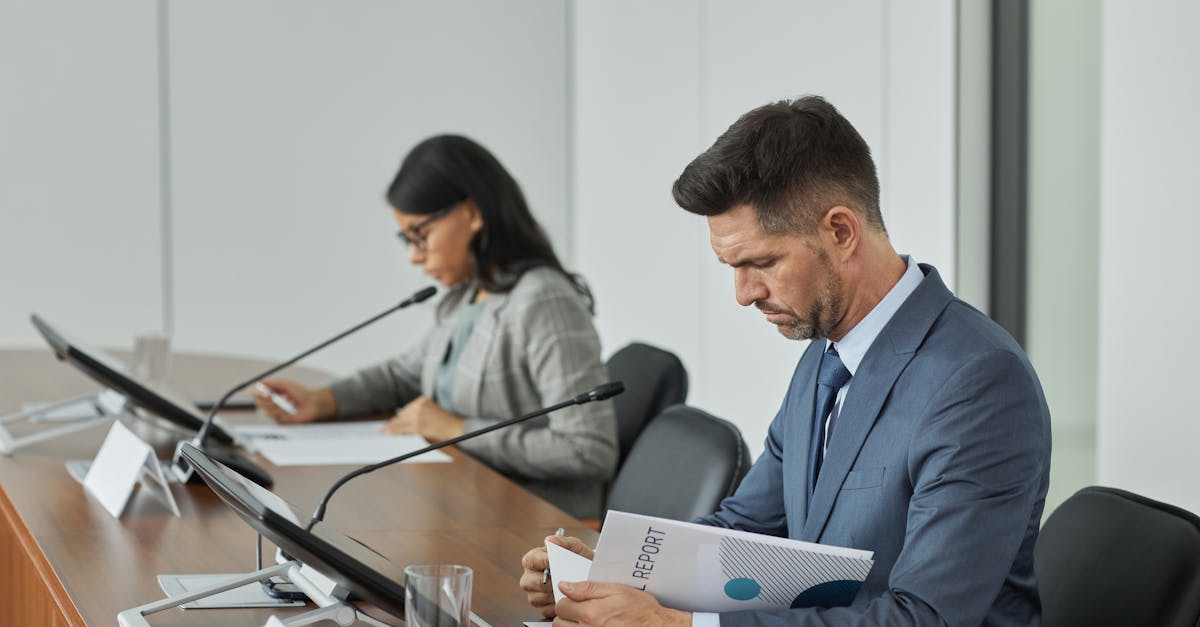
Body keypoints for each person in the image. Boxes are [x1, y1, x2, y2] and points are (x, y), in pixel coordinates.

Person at [520, 96, 1051, 625]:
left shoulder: (978, 382)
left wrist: (676, 626)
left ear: (840, 232)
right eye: (731, 267)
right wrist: (613, 581)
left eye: (762, 262)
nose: (744, 294)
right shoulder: (826, 353)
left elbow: (924, 619)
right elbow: (751, 527)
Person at [255, 134, 618, 519]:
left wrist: (455, 428)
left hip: (529, 524)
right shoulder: (468, 295)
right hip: (462, 505)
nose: (414, 256)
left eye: (421, 235)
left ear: (473, 213)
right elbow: (403, 375)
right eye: (407, 239)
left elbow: (587, 450)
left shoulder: (544, 300)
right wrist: (322, 401)